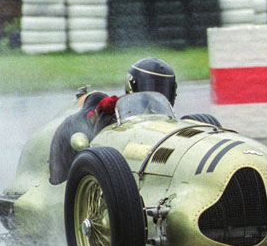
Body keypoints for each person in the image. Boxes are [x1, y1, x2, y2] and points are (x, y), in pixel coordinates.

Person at [49, 58, 177, 184]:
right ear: (132, 86)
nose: (157, 96)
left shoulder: (167, 121)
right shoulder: (110, 113)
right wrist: (97, 114)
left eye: (164, 90)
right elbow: (84, 123)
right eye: (151, 89)